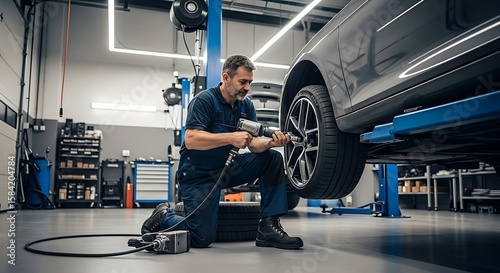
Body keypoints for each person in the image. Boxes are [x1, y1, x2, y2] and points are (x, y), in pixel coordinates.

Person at [140, 54, 303, 250]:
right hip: (198, 175)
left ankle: (268, 227)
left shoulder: (246, 105)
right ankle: (164, 215)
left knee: (272, 158)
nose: (247, 88)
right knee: (201, 237)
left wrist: (271, 143)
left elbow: (253, 144)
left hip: (228, 170)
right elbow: (191, 140)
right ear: (226, 78)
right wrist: (231, 137)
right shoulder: (205, 101)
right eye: (243, 81)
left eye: (250, 82)